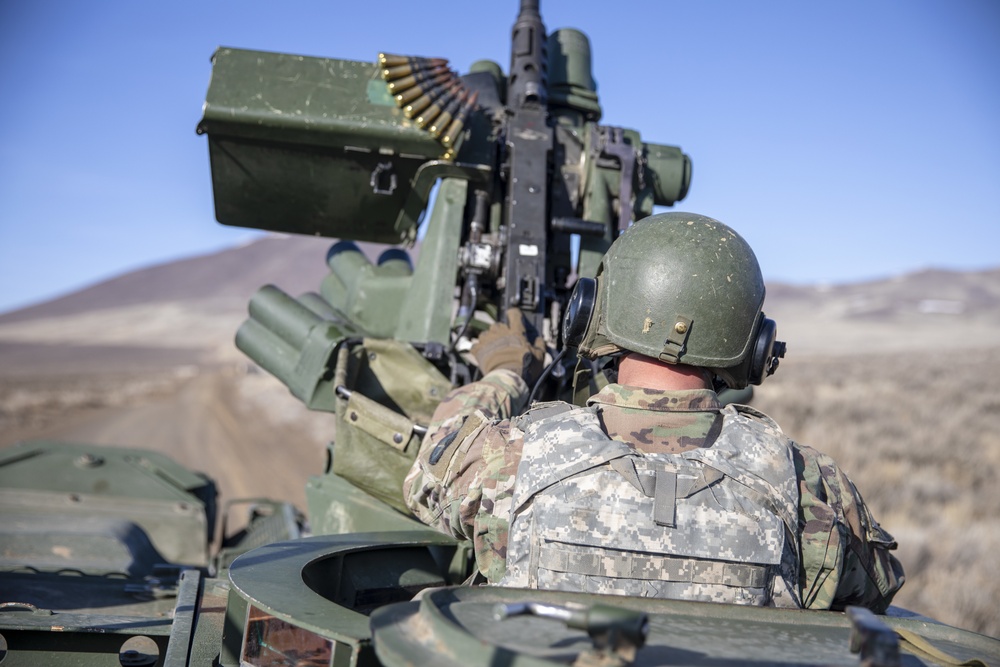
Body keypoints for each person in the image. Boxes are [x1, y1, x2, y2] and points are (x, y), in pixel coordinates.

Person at [403, 212, 904, 611]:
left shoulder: (514, 461)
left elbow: (432, 467)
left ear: (592, 315)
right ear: (753, 346)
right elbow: (877, 587)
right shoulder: (803, 484)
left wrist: (506, 372)